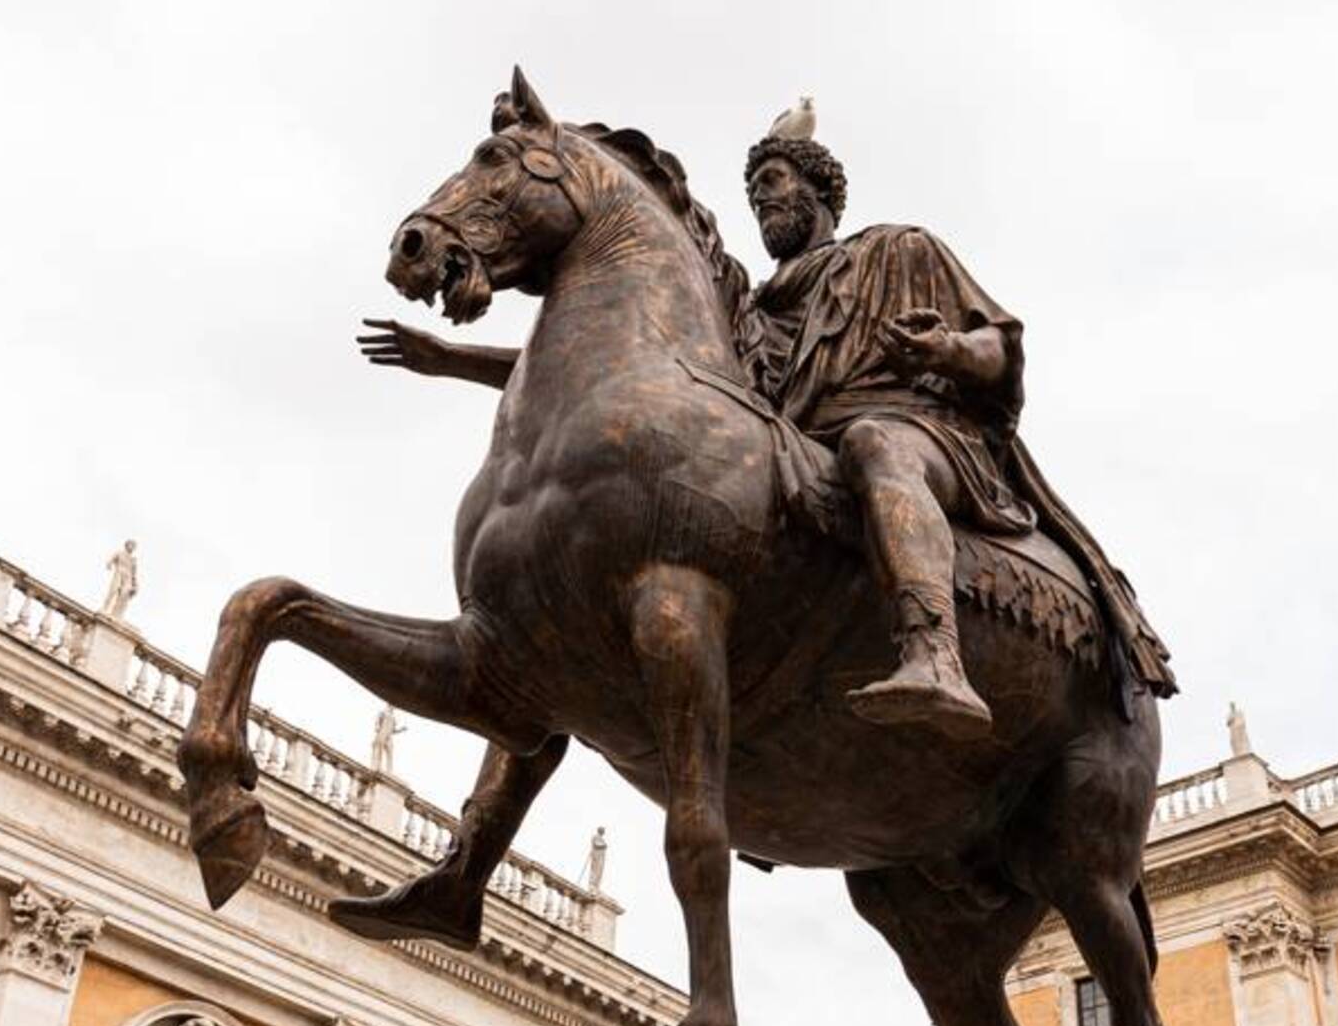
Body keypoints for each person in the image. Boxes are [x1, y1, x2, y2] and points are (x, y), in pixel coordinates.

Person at [360, 101, 1173, 735]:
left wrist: (948, 353)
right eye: (754, 191)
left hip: (917, 433)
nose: (763, 201)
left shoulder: (897, 249)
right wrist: (449, 357)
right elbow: (612, 368)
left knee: (872, 445)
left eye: (776, 184)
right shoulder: (749, 308)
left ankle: (934, 651)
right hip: (796, 449)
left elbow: (998, 347)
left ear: (820, 191)